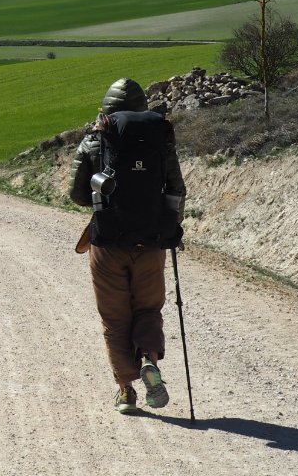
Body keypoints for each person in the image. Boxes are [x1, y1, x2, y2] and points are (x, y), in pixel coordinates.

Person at [69, 77, 186, 414]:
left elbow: (77, 195)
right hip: (151, 243)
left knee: (115, 318)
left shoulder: (95, 140)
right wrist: (167, 229)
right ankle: (149, 360)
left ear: (108, 110)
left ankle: (126, 391)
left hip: (107, 244)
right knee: (148, 310)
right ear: (141, 109)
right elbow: (177, 189)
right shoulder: (160, 139)